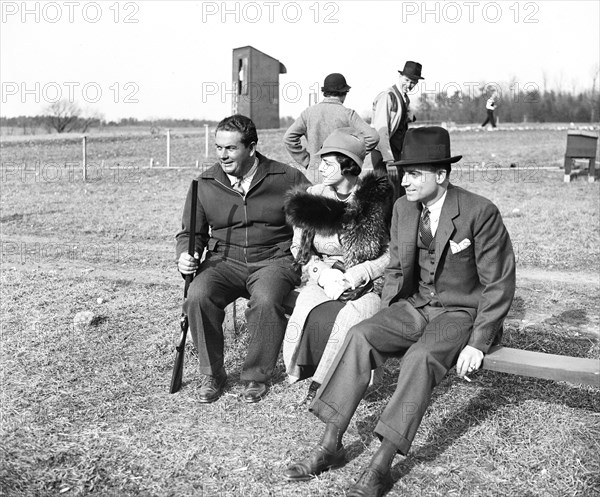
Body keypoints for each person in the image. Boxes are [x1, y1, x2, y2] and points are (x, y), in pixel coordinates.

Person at [283, 127, 516, 497]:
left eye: (414, 174)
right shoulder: (405, 208)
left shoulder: (479, 212)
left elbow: (499, 283)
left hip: (458, 313)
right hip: (415, 305)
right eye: (403, 172)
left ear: (441, 175)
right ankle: (331, 444)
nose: (404, 181)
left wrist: (479, 342)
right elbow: (394, 269)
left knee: (421, 357)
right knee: (360, 334)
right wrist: (388, 315)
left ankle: (381, 464)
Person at [176, 114, 310, 404]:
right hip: (223, 260)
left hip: (273, 259)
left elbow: (312, 218)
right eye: (218, 148)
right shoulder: (205, 183)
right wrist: (186, 256)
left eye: (230, 148)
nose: (222, 155)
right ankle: (212, 374)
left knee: (265, 300)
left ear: (251, 147)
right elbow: (191, 233)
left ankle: (255, 377)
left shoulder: (287, 178)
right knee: (198, 295)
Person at [282, 128, 394, 404]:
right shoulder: (313, 195)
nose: (319, 168)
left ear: (348, 166)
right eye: (320, 162)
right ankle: (302, 369)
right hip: (323, 274)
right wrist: (321, 273)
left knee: (355, 316)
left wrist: (357, 274)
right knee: (305, 310)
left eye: (327, 163)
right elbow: (299, 248)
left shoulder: (375, 201)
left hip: (367, 281)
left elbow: (392, 253)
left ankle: (324, 382)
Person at [284, 73, 379, 183]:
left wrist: (306, 161)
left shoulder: (309, 113)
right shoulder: (348, 114)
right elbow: (373, 137)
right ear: (344, 93)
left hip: (315, 175)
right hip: (342, 175)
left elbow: (288, 138)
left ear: (325, 92)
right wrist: (353, 155)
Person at [370, 60, 424, 198]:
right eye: (407, 80)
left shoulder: (405, 99)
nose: (409, 85)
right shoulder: (388, 96)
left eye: (413, 82)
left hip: (396, 152)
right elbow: (381, 130)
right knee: (386, 195)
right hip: (383, 153)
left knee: (398, 192)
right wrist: (389, 160)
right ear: (400, 77)